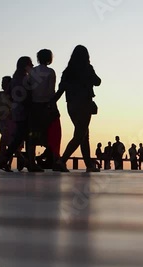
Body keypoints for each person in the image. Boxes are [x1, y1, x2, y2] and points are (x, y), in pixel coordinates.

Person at [53, 45, 102, 173]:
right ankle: (62, 161)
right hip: (84, 104)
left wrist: (51, 102)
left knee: (83, 134)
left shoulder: (67, 71)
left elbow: (61, 89)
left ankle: (89, 165)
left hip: (71, 105)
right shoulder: (87, 68)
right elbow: (97, 81)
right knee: (81, 134)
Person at [0, 56, 38, 172]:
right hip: (26, 111)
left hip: (16, 112)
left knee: (18, 138)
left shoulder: (14, 80)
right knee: (27, 138)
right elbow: (29, 96)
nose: (33, 66)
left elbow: (8, 95)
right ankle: (30, 163)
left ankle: (5, 161)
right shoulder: (26, 79)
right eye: (31, 64)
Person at [29, 49, 61, 170]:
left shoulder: (32, 72)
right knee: (54, 133)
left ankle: (32, 162)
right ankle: (55, 161)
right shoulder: (50, 72)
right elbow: (51, 91)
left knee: (33, 134)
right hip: (47, 106)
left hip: (34, 106)